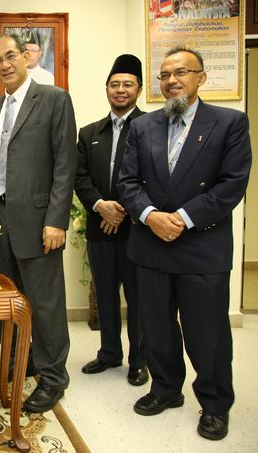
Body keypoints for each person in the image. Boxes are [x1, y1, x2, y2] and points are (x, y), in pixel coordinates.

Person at [117, 46, 252, 441]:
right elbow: (127, 182)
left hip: (202, 247)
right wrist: (150, 216)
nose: (171, 80)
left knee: (207, 335)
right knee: (157, 328)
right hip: (151, 244)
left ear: (201, 77)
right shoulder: (143, 127)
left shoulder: (229, 123)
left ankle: (214, 404)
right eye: (164, 75)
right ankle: (165, 388)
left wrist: (181, 219)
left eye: (181, 72)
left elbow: (232, 184)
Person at [0, 34, 77, 413]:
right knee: (7, 298)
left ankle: (53, 377)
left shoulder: (53, 99)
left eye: (10, 56)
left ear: (25, 57)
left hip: (38, 221)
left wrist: (56, 220)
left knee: (45, 303)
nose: (5, 64)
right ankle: (19, 360)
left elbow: (65, 164)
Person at [74, 54, 148, 387]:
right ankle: (109, 353)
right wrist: (101, 205)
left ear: (139, 89)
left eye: (127, 84)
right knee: (104, 294)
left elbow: (153, 178)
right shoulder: (90, 132)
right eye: (115, 84)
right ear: (106, 88)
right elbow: (80, 176)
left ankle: (139, 360)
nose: (120, 90)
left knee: (138, 298)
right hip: (99, 228)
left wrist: (123, 212)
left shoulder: (152, 127)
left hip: (138, 231)